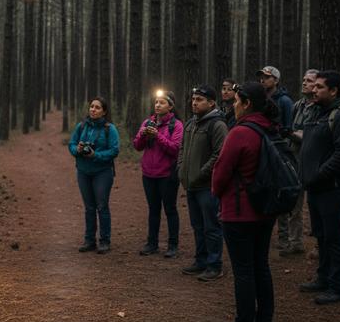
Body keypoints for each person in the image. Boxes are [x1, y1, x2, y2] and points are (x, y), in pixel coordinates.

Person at [212, 82, 279, 322]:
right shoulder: (269, 128)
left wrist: (217, 194)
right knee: (261, 265)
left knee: (243, 270)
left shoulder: (240, 133)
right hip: (266, 209)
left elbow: (221, 172)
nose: (233, 105)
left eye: (236, 101)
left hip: (240, 212)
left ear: (247, 103)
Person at [298, 71, 340, 305]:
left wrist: (320, 174)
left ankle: (338, 287)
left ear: (334, 91)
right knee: (322, 236)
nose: (314, 90)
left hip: (334, 188)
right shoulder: (317, 112)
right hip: (316, 188)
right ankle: (323, 278)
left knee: (336, 237)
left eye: (320, 87)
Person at [177, 85, 229, 281]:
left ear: (211, 103)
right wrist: (181, 169)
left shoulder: (217, 125)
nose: (194, 102)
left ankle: (215, 265)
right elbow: (182, 149)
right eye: (193, 99)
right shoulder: (191, 123)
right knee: (197, 225)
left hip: (207, 186)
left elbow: (220, 154)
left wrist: (201, 173)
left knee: (212, 227)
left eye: (199, 100)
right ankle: (201, 260)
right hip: (191, 185)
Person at [133, 90, 184, 258]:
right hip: (148, 174)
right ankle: (152, 243)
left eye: (162, 102)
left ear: (170, 106)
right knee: (153, 209)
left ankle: (173, 245)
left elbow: (175, 149)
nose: (157, 105)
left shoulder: (176, 125)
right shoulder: (148, 122)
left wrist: (158, 137)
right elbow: (137, 146)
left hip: (167, 175)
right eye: (156, 102)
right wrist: (143, 134)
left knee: (170, 209)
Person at [68, 97, 121, 254]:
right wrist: (76, 150)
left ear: (104, 111)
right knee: (89, 207)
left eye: (97, 107)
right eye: (91, 106)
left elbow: (114, 150)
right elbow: (71, 144)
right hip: (83, 172)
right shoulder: (81, 126)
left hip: (102, 172)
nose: (93, 109)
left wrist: (95, 155)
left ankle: (104, 241)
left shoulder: (109, 129)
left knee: (102, 206)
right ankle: (89, 240)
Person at [278, 68, 319, 257]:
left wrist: (292, 134)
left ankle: (320, 244)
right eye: (304, 80)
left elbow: (313, 136)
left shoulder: (320, 107)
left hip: (315, 163)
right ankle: (295, 242)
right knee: (295, 204)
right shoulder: (298, 105)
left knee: (317, 205)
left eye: (310, 81)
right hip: (295, 160)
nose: (305, 83)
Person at [256, 66, 294, 131]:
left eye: (267, 77)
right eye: (261, 78)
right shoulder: (259, 99)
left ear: (276, 81)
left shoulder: (285, 101)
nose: (262, 81)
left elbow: (289, 128)